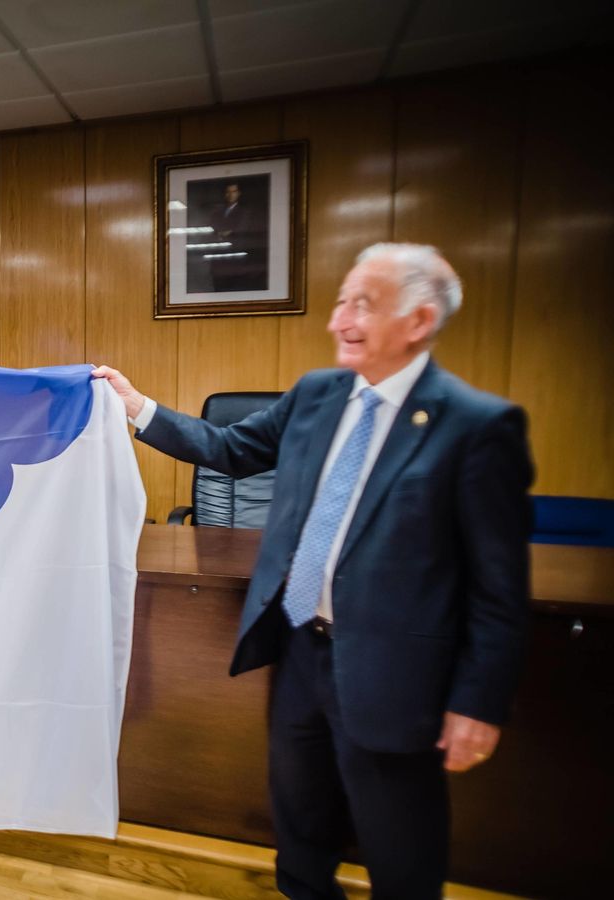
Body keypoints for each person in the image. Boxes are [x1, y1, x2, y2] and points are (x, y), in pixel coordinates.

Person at [93, 243, 532, 899]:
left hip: (396, 672)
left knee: (399, 845)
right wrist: (136, 407)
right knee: (298, 825)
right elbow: (231, 449)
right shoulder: (317, 394)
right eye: (340, 301)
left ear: (419, 320)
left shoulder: (477, 426)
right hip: (299, 647)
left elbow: (499, 589)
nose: (340, 319)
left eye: (363, 304)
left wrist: (477, 701)